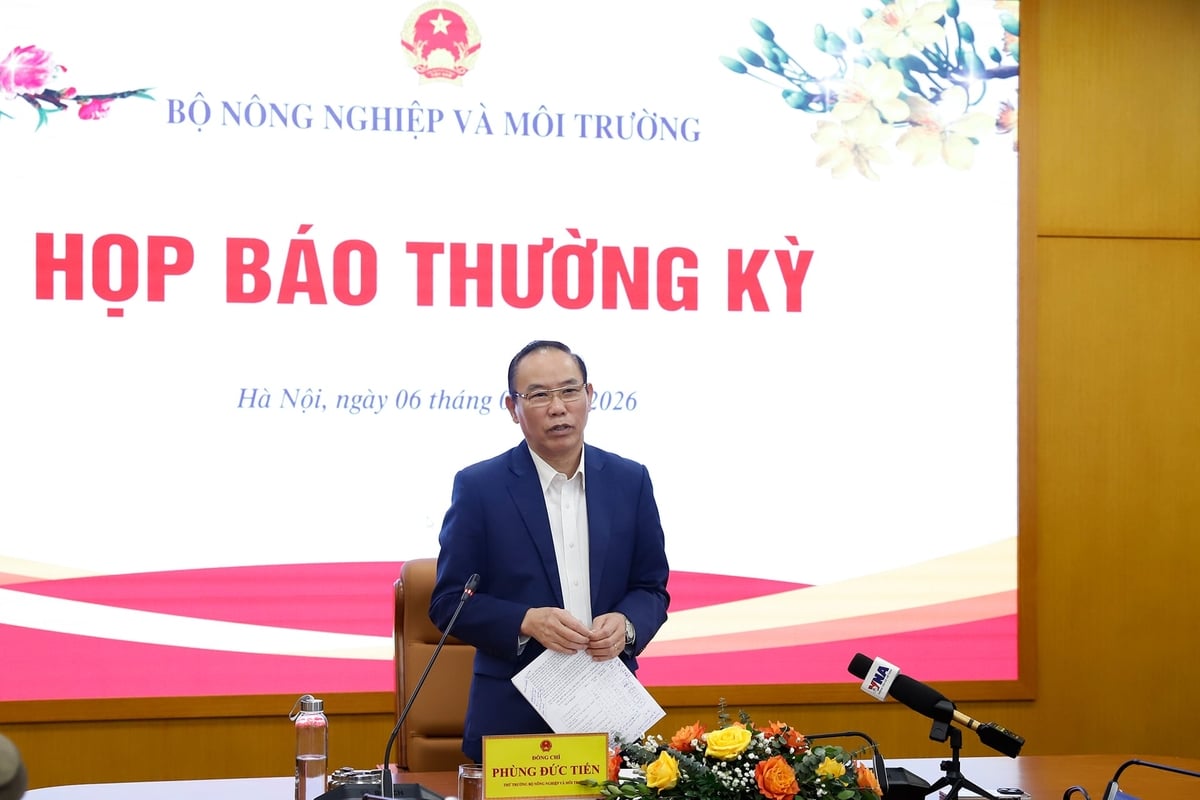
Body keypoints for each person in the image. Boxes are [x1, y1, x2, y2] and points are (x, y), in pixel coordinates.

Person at [429, 340, 670, 764]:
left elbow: (650, 587)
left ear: (590, 396)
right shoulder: (480, 488)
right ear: (512, 408)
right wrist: (525, 621)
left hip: (608, 712)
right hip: (511, 718)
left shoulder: (629, 481)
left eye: (569, 391)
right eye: (539, 395)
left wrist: (627, 623)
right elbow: (449, 604)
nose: (557, 407)